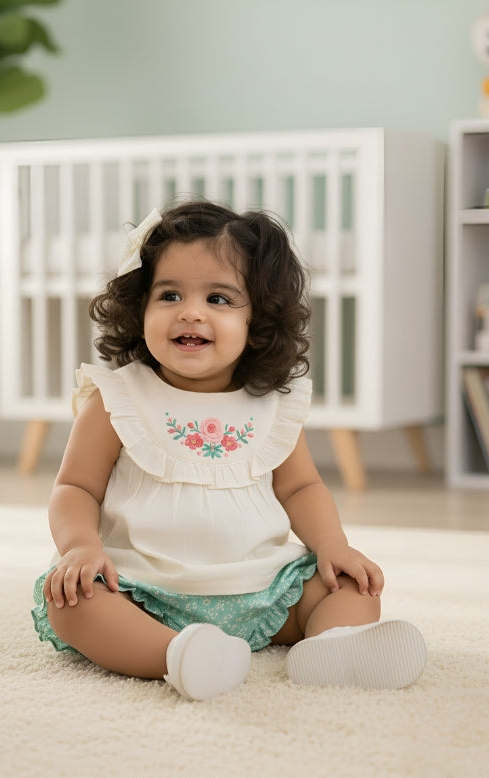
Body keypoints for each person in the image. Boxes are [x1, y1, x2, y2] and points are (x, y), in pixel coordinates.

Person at [32, 200, 427, 700]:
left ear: (258, 320)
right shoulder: (118, 400)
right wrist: (80, 548)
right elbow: (75, 487)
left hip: (265, 587)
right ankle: (175, 654)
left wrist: (333, 546)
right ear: (140, 308)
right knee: (73, 603)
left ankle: (337, 646)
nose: (191, 312)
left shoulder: (272, 406)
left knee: (351, 586)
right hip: (143, 590)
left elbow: (302, 486)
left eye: (218, 299)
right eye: (169, 294)